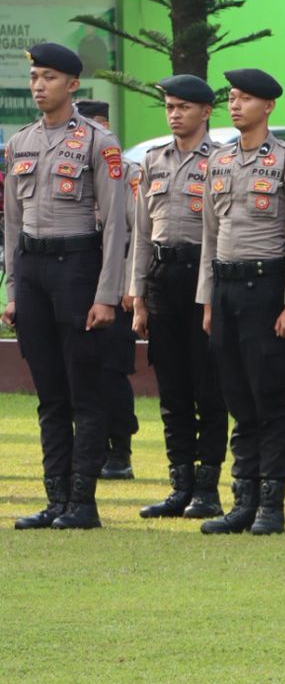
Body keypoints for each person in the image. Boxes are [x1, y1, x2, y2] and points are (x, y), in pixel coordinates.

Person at [4, 43, 129, 530]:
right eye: (35, 76)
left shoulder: (100, 142)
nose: (39, 85)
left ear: (72, 85)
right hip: (33, 272)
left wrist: (106, 294)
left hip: (78, 267)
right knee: (49, 394)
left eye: (49, 77)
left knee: (85, 391)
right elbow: (12, 224)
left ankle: (83, 502)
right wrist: (14, 291)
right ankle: (55, 499)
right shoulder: (20, 143)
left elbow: (116, 224)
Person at [197, 68, 285, 535]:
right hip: (225, 290)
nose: (235, 104)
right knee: (236, 397)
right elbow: (210, 236)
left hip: (266, 289)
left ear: (268, 106)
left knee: (268, 397)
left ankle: (271, 503)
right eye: (232, 96)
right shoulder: (220, 161)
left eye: (245, 98)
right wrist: (207, 301)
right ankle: (242, 500)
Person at [130, 75, 228, 519]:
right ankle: (180, 484)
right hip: (162, 277)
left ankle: (207, 487)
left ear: (206, 112)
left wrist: (210, 295)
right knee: (171, 388)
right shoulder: (153, 161)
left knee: (208, 386)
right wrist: (138, 296)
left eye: (184, 107)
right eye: (169, 106)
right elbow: (141, 233)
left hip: (203, 277)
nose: (174, 114)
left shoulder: (223, 160)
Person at [75, 98, 140, 481]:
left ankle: (120, 449)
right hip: (76, 280)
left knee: (112, 369)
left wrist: (131, 286)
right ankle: (91, 448)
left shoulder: (129, 174)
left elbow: (136, 235)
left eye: (100, 125)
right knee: (81, 369)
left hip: (115, 283)